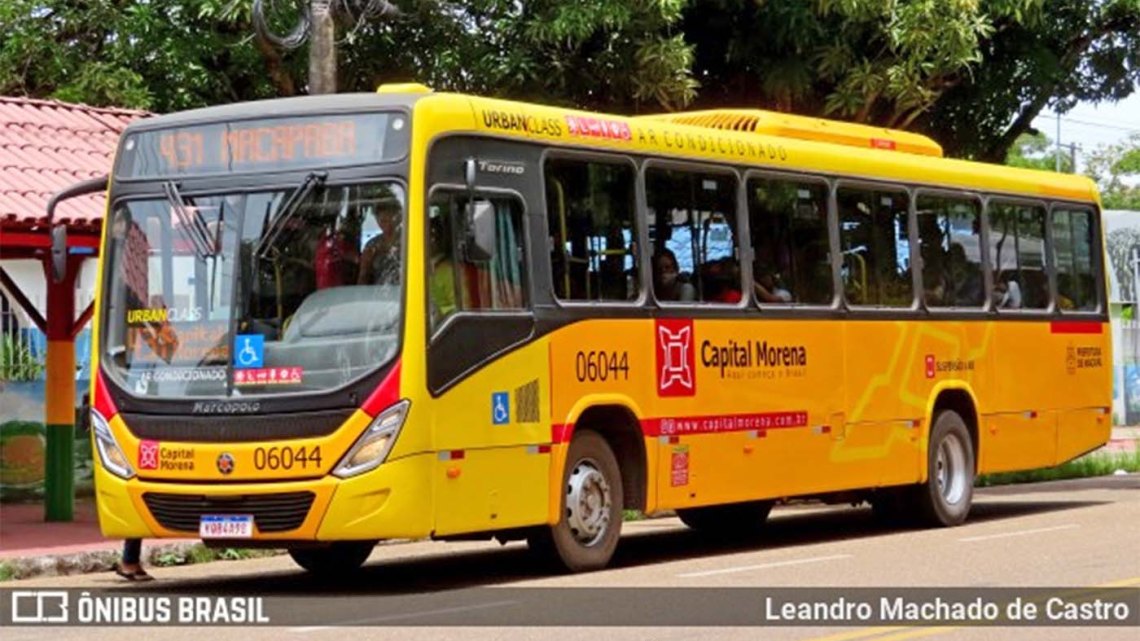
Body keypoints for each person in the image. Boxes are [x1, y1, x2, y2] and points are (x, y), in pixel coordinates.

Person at [357, 196, 402, 285]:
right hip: (378, 295)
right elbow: (362, 281)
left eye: (389, 219)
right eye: (382, 220)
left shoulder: (409, 241)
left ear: (398, 217)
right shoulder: (372, 245)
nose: (386, 224)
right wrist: (366, 265)